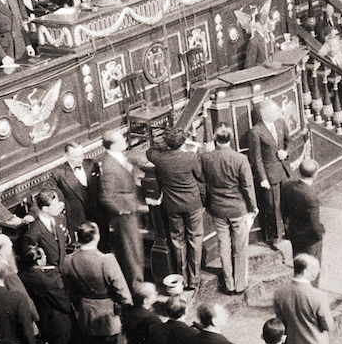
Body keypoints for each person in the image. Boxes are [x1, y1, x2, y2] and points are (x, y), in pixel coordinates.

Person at [60, 221, 133, 344]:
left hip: (86, 314)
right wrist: (125, 306)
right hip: (108, 316)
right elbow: (122, 291)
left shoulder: (69, 260)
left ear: (77, 237)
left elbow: (70, 291)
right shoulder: (106, 260)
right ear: (96, 236)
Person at [200, 125, 258, 294]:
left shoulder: (205, 158)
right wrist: (253, 207)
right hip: (238, 209)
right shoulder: (240, 159)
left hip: (217, 209)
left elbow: (202, 185)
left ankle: (229, 284)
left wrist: (207, 205)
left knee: (223, 246)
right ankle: (240, 285)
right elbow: (247, 186)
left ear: (214, 139)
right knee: (240, 247)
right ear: (231, 139)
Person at [147, 128, 205, 288]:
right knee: (195, 239)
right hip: (192, 203)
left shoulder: (160, 158)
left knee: (178, 241)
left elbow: (149, 151)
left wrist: (163, 145)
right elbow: (200, 175)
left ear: (167, 143)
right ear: (183, 142)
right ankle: (195, 279)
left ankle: (182, 279)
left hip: (172, 205)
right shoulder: (191, 157)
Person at [98, 130, 146, 291]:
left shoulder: (118, 157)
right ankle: (137, 288)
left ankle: (136, 283)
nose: (125, 140)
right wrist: (122, 211)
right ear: (113, 145)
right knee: (132, 252)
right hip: (125, 215)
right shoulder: (109, 166)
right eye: (121, 140)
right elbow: (105, 196)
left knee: (134, 249)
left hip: (130, 208)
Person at [248, 99, 291, 245]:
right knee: (273, 207)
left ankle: (290, 231)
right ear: (263, 113)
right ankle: (275, 238)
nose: (278, 112)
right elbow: (256, 158)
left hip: (284, 171)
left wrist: (286, 152)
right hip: (270, 176)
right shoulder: (256, 132)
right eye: (274, 110)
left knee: (287, 204)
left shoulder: (280, 123)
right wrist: (263, 178)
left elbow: (288, 141)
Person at [279, 159, 326, 271]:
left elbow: (283, 211)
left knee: (299, 267)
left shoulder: (287, 186)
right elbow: (315, 225)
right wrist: (321, 233)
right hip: (310, 240)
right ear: (315, 174)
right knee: (311, 270)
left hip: (294, 234)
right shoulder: (311, 196)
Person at [52, 142, 103, 236]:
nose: (80, 159)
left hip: (98, 215)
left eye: (81, 155)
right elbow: (46, 192)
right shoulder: (58, 173)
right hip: (78, 219)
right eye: (75, 157)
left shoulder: (91, 164)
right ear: (66, 156)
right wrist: (32, 214)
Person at [23, 189, 71, 268]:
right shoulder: (33, 232)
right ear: (45, 209)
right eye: (54, 205)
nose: (59, 206)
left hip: (66, 265)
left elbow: (65, 241)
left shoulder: (61, 218)